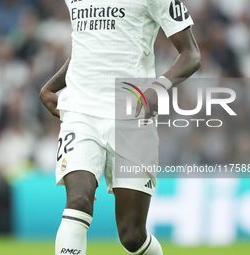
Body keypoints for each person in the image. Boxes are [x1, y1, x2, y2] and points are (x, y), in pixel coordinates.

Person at [40, 0, 201, 254]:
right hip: (81, 111)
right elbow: (88, 45)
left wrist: (156, 89)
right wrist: (52, 85)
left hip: (132, 116)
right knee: (78, 201)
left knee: (132, 236)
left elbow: (191, 55)